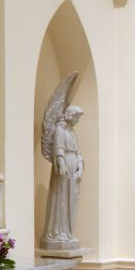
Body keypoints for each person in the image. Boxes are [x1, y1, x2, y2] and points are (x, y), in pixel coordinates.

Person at [41, 104, 83, 246]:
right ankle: (60, 232)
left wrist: (80, 169)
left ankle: (69, 232)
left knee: (72, 199)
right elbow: (58, 149)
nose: (78, 120)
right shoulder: (60, 130)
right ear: (70, 115)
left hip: (73, 164)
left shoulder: (72, 132)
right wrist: (62, 164)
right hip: (63, 164)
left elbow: (78, 153)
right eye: (77, 117)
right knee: (62, 198)